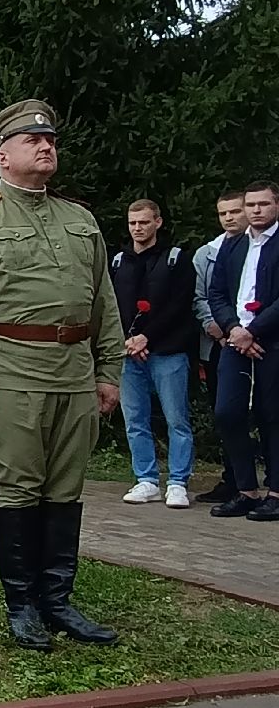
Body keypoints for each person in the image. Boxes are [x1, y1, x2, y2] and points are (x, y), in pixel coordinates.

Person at [0, 99, 124, 652]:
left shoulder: (80, 220)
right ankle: (22, 606)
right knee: (19, 487)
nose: (46, 148)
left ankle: (58, 601)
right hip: (12, 370)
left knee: (66, 487)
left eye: (50, 142)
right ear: (3, 155)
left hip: (74, 371)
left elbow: (103, 301)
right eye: (31, 141)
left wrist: (108, 368)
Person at [111, 199, 196, 508]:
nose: (138, 228)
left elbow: (180, 306)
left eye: (144, 222)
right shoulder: (119, 261)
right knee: (134, 419)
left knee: (176, 418)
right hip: (128, 352)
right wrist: (128, 341)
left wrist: (148, 337)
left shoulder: (176, 259)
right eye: (133, 223)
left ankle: (178, 482)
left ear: (158, 222)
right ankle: (146, 479)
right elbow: (113, 307)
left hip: (168, 351)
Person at [205, 181, 279, 521]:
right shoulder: (232, 246)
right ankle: (246, 489)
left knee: (272, 415)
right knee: (227, 412)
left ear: (275, 205)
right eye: (251, 205)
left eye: (263, 204)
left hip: (271, 341)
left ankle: (276, 492)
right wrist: (234, 329)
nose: (256, 211)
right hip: (235, 340)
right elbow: (216, 291)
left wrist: (254, 331)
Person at [193, 191, 249, 504]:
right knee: (224, 412)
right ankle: (233, 480)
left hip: (259, 340)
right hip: (218, 343)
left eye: (235, 211)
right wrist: (216, 327)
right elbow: (200, 296)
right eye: (223, 213)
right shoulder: (207, 253)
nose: (229, 218)